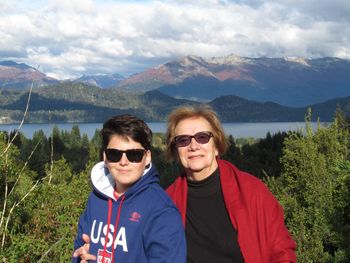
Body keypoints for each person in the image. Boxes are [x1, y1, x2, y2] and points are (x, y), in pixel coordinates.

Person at [165, 105, 296, 263]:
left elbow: (281, 250)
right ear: (176, 151)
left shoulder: (252, 191)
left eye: (202, 137)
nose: (193, 146)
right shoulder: (167, 203)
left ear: (217, 147)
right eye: (183, 140)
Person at [72, 114, 186, 263]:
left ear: (147, 157)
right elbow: (79, 250)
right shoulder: (97, 198)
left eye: (134, 155)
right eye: (114, 154)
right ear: (105, 157)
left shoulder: (160, 210)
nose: (123, 162)